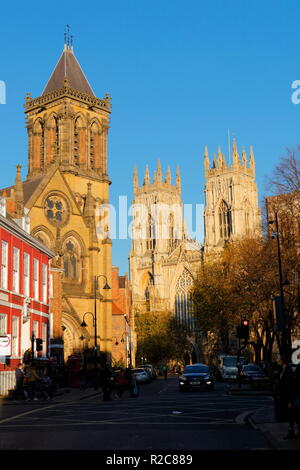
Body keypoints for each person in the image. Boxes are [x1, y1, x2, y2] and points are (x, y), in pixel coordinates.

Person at [277, 355, 298, 439]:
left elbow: (290, 386)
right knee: (290, 414)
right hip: (285, 396)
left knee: (291, 415)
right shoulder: (283, 369)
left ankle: (291, 431)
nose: (278, 360)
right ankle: (291, 431)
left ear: (283, 360)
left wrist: (290, 400)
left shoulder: (288, 370)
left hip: (288, 397)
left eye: (279, 359)